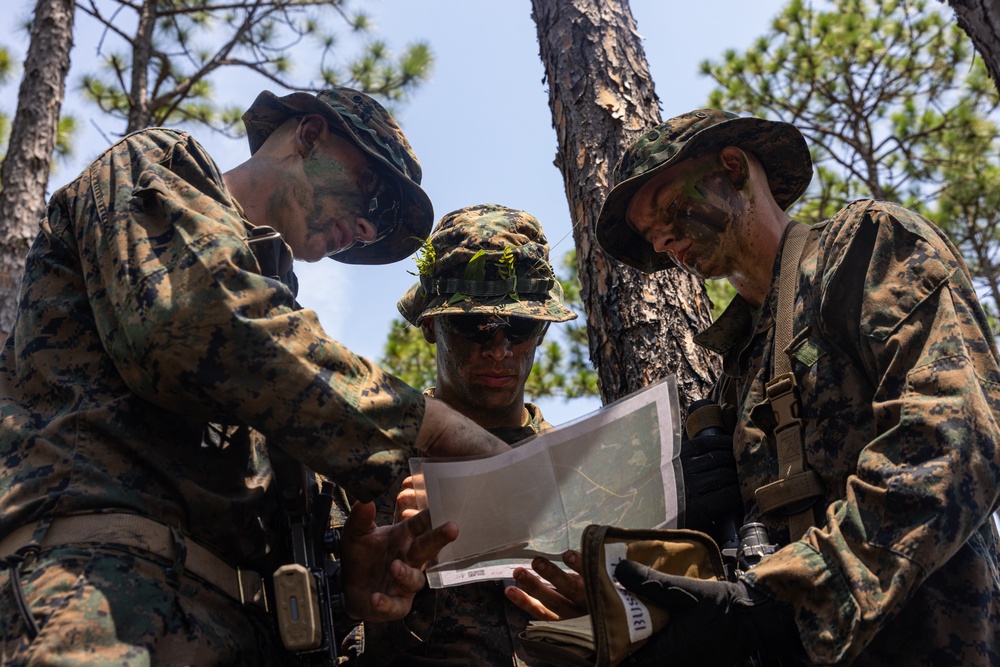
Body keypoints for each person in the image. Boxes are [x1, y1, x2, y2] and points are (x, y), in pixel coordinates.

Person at [0, 88, 511, 665]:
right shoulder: (158, 164)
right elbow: (192, 323)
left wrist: (347, 583)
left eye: (382, 223)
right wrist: (429, 427)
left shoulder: (292, 362)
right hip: (103, 604)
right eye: (374, 193)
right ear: (310, 136)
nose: (368, 228)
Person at [508, 109, 1000, 666]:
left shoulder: (867, 247)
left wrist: (779, 603)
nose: (665, 239)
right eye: (651, 235)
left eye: (670, 208)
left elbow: (957, 437)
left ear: (734, 169)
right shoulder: (735, 374)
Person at [338, 203, 576, 666]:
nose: (500, 350)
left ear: (543, 330)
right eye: (474, 326)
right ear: (431, 325)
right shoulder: (367, 463)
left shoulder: (580, 467)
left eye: (521, 326)